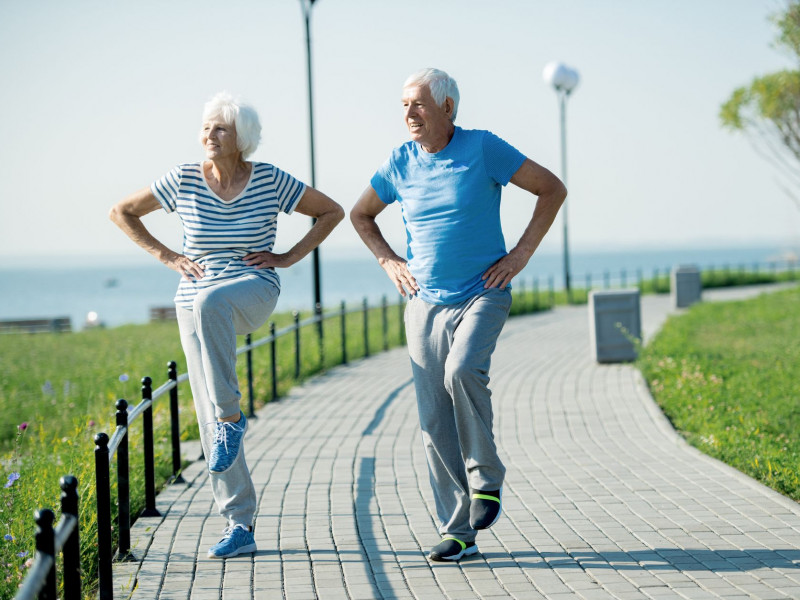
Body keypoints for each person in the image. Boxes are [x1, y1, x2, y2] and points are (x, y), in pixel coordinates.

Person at [110, 92, 344, 559]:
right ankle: (240, 523)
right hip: (191, 301)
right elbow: (122, 212)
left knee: (215, 309)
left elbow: (331, 211)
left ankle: (232, 417)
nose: (209, 135)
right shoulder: (182, 180)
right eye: (205, 127)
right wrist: (169, 256)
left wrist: (288, 257)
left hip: (252, 288)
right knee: (208, 415)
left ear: (243, 138)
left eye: (220, 128)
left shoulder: (270, 180)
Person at [350, 68, 567, 562]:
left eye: (419, 104)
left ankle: (486, 479)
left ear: (448, 108)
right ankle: (458, 530)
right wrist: (389, 261)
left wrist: (520, 255)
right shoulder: (399, 162)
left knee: (462, 369)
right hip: (423, 301)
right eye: (404, 105)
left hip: (482, 292)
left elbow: (551, 188)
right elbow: (360, 214)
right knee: (433, 419)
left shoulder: (483, 148)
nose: (409, 114)